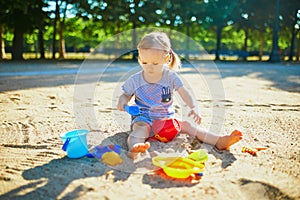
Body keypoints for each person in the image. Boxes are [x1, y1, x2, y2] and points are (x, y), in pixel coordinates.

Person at [117, 32, 242, 159]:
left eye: (155, 64)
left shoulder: (170, 77)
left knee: (189, 126)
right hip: (144, 118)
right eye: (144, 62)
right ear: (139, 58)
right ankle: (135, 148)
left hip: (166, 121)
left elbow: (184, 92)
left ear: (166, 59)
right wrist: (123, 102)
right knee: (139, 130)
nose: (149, 67)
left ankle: (219, 141)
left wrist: (193, 107)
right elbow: (125, 95)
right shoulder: (135, 80)